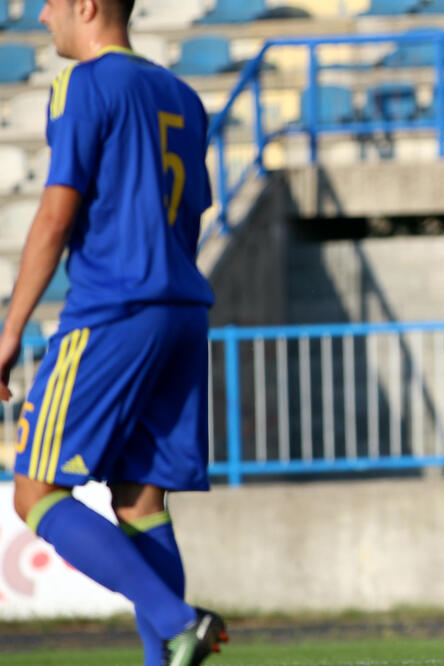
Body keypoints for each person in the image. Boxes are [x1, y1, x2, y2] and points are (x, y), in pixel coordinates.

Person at [0, 1, 226, 665]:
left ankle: (178, 620)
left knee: (35, 490)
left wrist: (10, 328)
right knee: (140, 499)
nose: (41, 17)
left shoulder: (86, 84)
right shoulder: (183, 95)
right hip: (182, 310)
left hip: (113, 310)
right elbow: (194, 209)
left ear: (86, 7)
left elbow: (54, 214)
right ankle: (172, 651)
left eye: (50, 4)